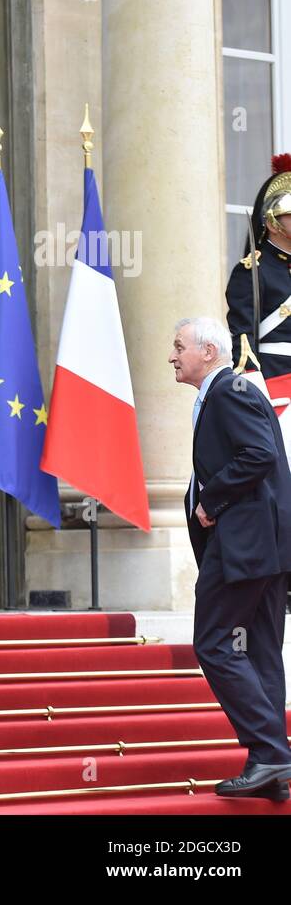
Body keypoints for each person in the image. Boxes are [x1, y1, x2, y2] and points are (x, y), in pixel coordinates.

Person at [170, 317, 291, 799]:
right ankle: (273, 768)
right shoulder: (226, 391)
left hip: (244, 546)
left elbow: (259, 454)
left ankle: (271, 753)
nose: (173, 355)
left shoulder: (228, 391)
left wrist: (210, 500)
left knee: (216, 643)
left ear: (209, 352)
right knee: (260, 653)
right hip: (263, 548)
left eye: (180, 346)